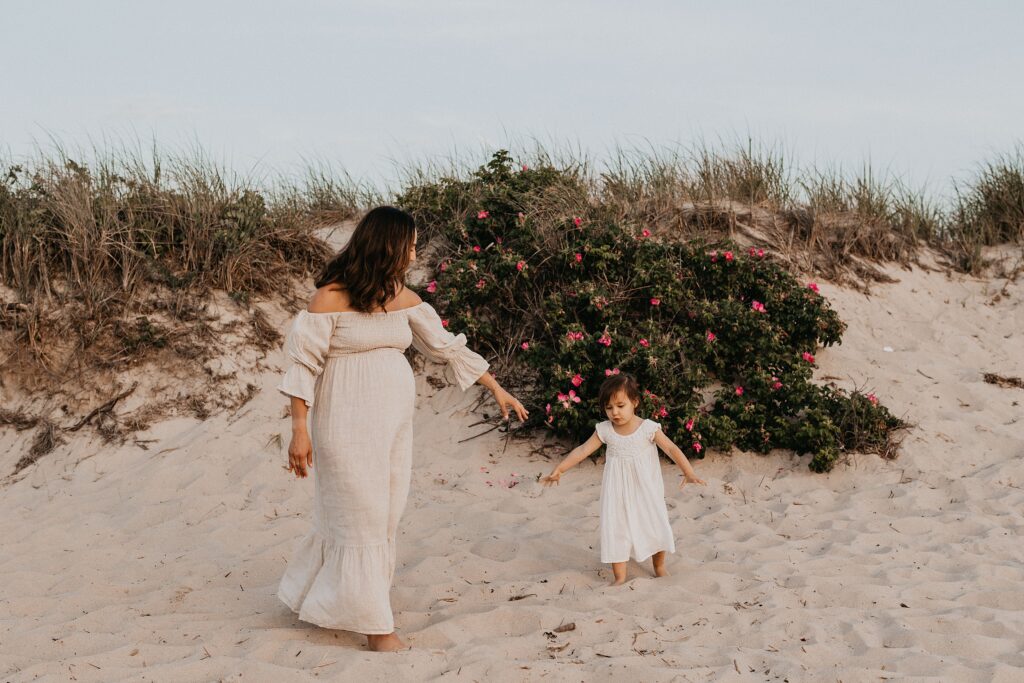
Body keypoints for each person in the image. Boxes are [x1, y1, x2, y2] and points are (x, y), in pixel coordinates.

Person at [277, 206, 528, 651]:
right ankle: (378, 630)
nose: (414, 253)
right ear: (388, 245)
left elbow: (446, 349)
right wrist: (300, 431)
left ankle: (331, 597)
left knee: (385, 514)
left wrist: (497, 388)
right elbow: (302, 366)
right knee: (362, 514)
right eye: (410, 245)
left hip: (392, 426)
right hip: (344, 422)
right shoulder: (329, 299)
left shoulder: (402, 297)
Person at [543, 373, 705, 585]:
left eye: (620, 405)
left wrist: (689, 472)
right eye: (609, 408)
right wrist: (560, 469)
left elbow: (671, 448)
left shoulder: (648, 428)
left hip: (645, 490)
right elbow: (583, 450)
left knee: (654, 523)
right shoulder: (605, 430)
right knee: (616, 527)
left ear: (634, 402)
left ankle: (659, 567)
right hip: (617, 492)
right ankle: (620, 577)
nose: (615, 412)